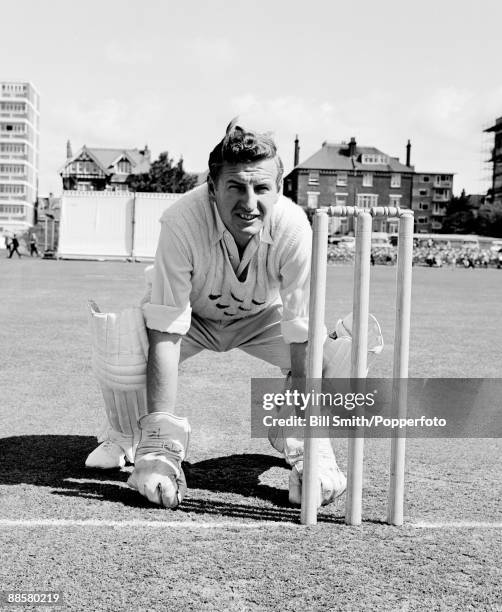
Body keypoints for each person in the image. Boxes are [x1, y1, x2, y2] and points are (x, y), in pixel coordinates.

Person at [86, 118, 382, 509]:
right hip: (194, 318)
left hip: (262, 320)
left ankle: (291, 432)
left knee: (336, 360)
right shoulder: (181, 221)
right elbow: (166, 330)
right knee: (122, 347)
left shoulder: (295, 229)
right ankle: (129, 436)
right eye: (235, 187)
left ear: (277, 189)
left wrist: (315, 444)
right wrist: (161, 448)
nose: (249, 202)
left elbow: (301, 334)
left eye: (261, 188)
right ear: (212, 188)